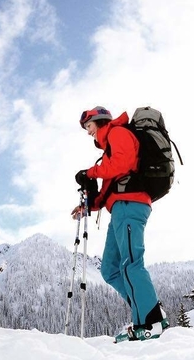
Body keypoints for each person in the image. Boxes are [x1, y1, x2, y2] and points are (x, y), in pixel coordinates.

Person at [71, 106, 169, 342]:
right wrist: (88, 207)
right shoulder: (108, 150)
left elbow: (123, 164)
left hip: (130, 204)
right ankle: (148, 310)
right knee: (110, 269)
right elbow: (107, 189)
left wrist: (91, 172)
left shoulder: (117, 133)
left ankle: (150, 322)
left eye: (89, 126)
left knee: (131, 264)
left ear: (99, 120)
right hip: (120, 208)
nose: (88, 132)